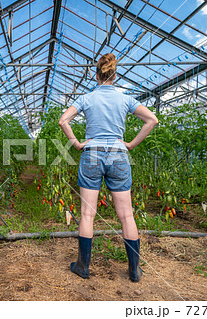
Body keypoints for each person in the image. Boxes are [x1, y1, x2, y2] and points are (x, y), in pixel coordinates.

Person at [58, 53, 158, 282]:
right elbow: (152, 120)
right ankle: (134, 271)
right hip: (118, 155)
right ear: (115, 75)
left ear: (96, 75)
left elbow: (63, 120)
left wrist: (77, 143)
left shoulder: (86, 98)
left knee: (87, 214)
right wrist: (131, 144)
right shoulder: (125, 99)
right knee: (126, 215)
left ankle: (83, 267)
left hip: (91, 154)